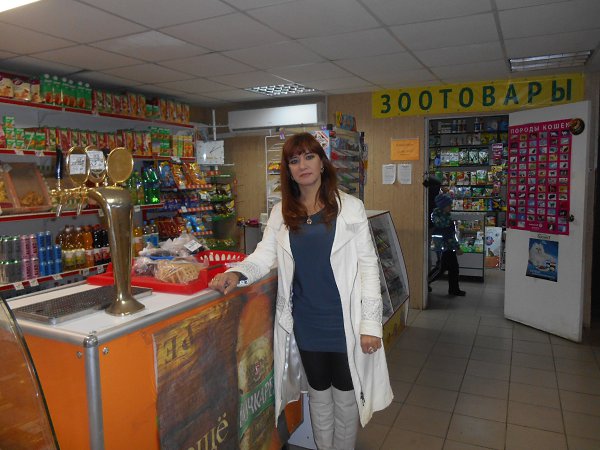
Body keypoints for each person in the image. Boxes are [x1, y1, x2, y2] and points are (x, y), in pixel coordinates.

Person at [209, 132, 393, 450]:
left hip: (346, 323)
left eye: (309, 157)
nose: (302, 165)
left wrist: (371, 325)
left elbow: (368, 267)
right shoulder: (282, 212)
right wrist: (237, 272)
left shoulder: (350, 208)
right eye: (294, 160)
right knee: (318, 397)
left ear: (322, 163)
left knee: (346, 399)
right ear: (289, 170)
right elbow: (264, 255)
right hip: (306, 323)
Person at [430, 193, 466, 296]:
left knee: (453, 268)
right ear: (443, 206)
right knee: (441, 269)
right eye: (449, 205)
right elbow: (449, 236)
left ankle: (454, 289)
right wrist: (457, 248)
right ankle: (424, 283)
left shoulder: (441, 216)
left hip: (446, 247)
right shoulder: (443, 219)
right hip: (444, 248)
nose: (451, 207)